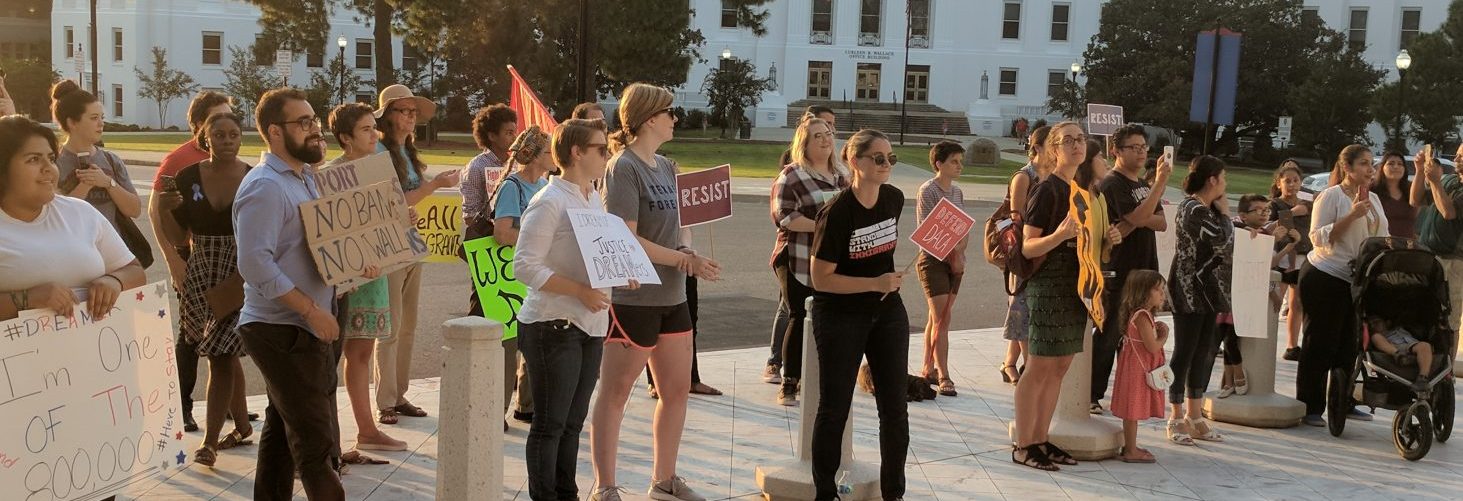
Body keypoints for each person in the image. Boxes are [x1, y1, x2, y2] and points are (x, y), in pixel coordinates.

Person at [590, 83, 720, 501]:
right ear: (649, 119)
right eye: (670, 112)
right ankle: (604, 486)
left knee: (676, 390)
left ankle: (664, 480)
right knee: (616, 394)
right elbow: (626, 238)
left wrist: (686, 250)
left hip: (673, 297)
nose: (675, 119)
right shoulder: (622, 167)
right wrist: (683, 260)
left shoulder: (665, 165)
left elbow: (669, 231)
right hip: (634, 299)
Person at [233, 88, 344, 500]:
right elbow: (255, 264)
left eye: (314, 120)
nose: (316, 130)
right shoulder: (264, 187)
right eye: (304, 123)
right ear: (275, 132)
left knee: (282, 433)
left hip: (306, 325)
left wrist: (354, 266)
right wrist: (311, 310)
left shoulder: (307, 178)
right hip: (280, 328)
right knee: (316, 442)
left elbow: (317, 247)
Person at [516, 118, 620, 501]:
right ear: (576, 153)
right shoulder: (549, 201)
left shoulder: (592, 195)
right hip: (552, 324)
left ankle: (566, 493)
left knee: (573, 423)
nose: (607, 155)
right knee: (550, 424)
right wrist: (578, 289)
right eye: (600, 149)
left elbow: (594, 253)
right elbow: (524, 266)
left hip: (589, 324)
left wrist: (621, 271)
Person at [1012, 121, 1120, 471]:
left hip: (1077, 287)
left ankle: (1041, 438)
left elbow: (1085, 245)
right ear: (1054, 149)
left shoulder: (1079, 191)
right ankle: (1024, 444)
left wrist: (1106, 239)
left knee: (1059, 367)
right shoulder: (1047, 189)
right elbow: (1028, 248)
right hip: (1049, 285)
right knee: (1038, 367)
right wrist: (1059, 235)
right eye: (1068, 141)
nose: (1076, 145)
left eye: (1080, 139)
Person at [808, 129, 909, 500]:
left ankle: (893, 492)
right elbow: (821, 280)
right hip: (840, 313)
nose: (886, 165)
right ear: (855, 161)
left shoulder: (895, 199)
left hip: (887, 312)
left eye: (890, 158)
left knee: (895, 407)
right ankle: (825, 492)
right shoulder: (836, 212)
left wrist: (884, 284)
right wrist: (874, 283)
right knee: (835, 407)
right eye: (878, 158)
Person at [154, 112, 254, 467]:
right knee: (217, 349)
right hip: (201, 270)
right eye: (220, 135)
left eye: (233, 134)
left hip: (240, 272)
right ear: (204, 138)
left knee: (221, 355)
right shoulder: (187, 178)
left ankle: (209, 443)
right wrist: (166, 210)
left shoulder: (252, 178)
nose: (227, 140)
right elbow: (180, 236)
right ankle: (241, 426)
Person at [146, 91, 236, 432]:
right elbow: (157, 212)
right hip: (192, 258)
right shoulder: (178, 160)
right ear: (199, 124)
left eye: (230, 118)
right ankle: (181, 406)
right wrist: (173, 262)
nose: (225, 125)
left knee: (227, 336)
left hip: (228, 262)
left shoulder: (232, 162)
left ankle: (228, 407)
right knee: (192, 336)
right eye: (216, 119)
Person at [373, 84, 461, 425]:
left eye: (413, 112)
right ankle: (385, 400)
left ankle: (399, 394)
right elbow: (394, 201)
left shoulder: (407, 152)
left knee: (408, 324)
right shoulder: (380, 152)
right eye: (404, 111)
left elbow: (411, 201)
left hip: (411, 243)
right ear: (388, 116)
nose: (411, 117)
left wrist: (427, 195)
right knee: (391, 326)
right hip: (389, 247)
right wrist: (435, 186)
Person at [323, 102, 408, 455]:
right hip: (347, 280)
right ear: (345, 137)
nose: (375, 134)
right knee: (344, 354)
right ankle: (345, 434)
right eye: (366, 130)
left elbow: (389, 218)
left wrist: (407, 219)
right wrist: (351, 270)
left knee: (364, 349)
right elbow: (327, 232)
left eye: (375, 128)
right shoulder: (330, 175)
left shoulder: (379, 168)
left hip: (376, 273)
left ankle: (366, 429)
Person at [1297, 145, 1387, 428]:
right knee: (1320, 341)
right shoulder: (1331, 196)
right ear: (1347, 168)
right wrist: (1352, 216)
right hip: (1326, 275)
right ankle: (1310, 406)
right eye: (1363, 163)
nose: (1369, 169)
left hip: (1357, 280)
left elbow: (1380, 236)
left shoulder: (1373, 198)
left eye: (1372, 164)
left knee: (1349, 345)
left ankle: (1343, 402)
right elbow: (1317, 238)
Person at [768, 116, 849, 406]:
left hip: (831, 260)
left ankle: (823, 380)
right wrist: (824, 226)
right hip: (796, 257)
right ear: (804, 142)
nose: (826, 139)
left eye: (828, 134)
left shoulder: (842, 176)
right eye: (818, 136)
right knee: (799, 316)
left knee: (830, 319)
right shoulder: (792, 175)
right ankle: (789, 384)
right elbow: (785, 218)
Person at [1092, 124, 1169, 414]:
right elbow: (1140, 214)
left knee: (1138, 332)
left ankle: (1128, 392)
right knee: (1110, 331)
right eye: (1133, 147)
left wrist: (1142, 214)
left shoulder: (1142, 186)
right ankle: (1092, 393)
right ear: (1117, 151)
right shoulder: (1113, 183)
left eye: (1144, 147)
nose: (1141, 152)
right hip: (1120, 268)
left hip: (1144, 266)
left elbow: (1160, 221)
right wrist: (1158, 186)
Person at [1165, 155, 1233, 444]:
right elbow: (1223, 241)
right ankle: (1175, 415)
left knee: (1204, 351)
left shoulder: (1208, 209)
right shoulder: (1193, 208)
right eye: (1223, 178)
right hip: (1189, 288)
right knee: (1185, 351)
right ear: (1212, 180)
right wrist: (1227, 214)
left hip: (1209, 289)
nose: (1225, 184)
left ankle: (1195, 414)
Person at [493, 125, 554, 425]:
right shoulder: (512, 187)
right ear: (535, 156)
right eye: (550, 151)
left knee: (533, 342)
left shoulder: (545, 185)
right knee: (507, 348)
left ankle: (526, 405)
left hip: (536, 275)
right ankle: (497, 411)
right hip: (509, 278)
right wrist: (538, 236)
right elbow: (502, 232)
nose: (556, 155)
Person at [49, 80, 142, 237]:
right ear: (72, 122)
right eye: (93, 118)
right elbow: (53, 217)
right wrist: (85, 185)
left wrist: (108, 183)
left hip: (112, 256)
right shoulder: (53, 164)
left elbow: (134, 210)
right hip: (72, 254)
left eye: (102, 117)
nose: (101, 123)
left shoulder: (111, 160)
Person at [999, 125, 1052, 385]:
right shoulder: (1024, 177)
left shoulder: (1054, 176)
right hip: (1024, 254)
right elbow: (1016, 218)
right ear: (1038, 147)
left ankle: (1009, 362)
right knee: (1020, 308)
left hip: (1045, 250)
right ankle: (1028, 365)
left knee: (1028, 309)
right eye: (1053, 144)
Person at [916, 140, 967, 397]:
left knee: (936, 319)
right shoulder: (929, 190)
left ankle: (928, 366)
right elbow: (929, 233)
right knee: (942, 319)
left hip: (956, 261)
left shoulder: (957, 192)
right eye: (954, 162)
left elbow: (963, 228)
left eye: (960, 161)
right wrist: (952, 255)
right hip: (934, 261)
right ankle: (944, 373)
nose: (959, 166)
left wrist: (959, 254)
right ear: (939, 164)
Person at [1411, 143, 1463, 372]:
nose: (1458, 159)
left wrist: (1434, 181)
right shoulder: (1450, 181)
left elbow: (1448, 212)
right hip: (1428, 253)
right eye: (1458, 155)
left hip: (1453, 259)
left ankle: (1446, 371)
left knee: (1450, 317)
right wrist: (1421, 170)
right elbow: (1416, 200)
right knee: (1422, 310)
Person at [1110, 270, 1168, 464]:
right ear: (1144, 292)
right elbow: (1152, 346)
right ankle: (1131, 449)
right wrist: (1164, 336)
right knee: (1132, 410)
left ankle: (1131, 445)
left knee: (1131, 409)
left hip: (1134, 366)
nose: (1162, 294)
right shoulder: (1142, 316)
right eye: (1158, 289)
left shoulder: (1142, 315)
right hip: (1137, 369)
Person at [1270, 160, 1311, 361]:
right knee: (1274, 299)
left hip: (1303, 258)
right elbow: (1273, 226)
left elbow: (1310, 215)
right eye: (1287, 181)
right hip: (1282, 257)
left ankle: (1292, 345)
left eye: (1296, 180)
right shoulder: (1274, 204)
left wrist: (1296, 210)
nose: (1292, 185)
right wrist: (1289, 214)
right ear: (1279, 183)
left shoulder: (1306, 202)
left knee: (1297, 303)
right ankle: (1264, 340)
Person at [463, 104, 518, 239]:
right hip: (488, 242)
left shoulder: (518, 164)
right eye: (509, 133)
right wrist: (498, 232)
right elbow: (469, 215)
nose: (515, 137)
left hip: (514, 240)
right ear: (492, 136)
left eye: (514, 132)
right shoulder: (476, 167)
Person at [1366, 316, 1436, 390]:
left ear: (1387, 323)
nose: (1373, 325)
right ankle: (1399, 356)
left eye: (1376, 322)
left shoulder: (1401, 328)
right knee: (1375, 336)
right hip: (1393, 347)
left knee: (1425, 345)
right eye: (1370, 324)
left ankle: (1422, 377)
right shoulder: (1376, 336)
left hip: (1413, 345)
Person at [1373, 151, 1416, 238]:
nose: (1396, 167)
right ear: (1382, 168)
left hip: (1407, 246)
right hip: (1380, 245)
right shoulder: (1372, 191)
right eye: (1391, 164)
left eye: (1400, 164)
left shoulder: (1411, 190)